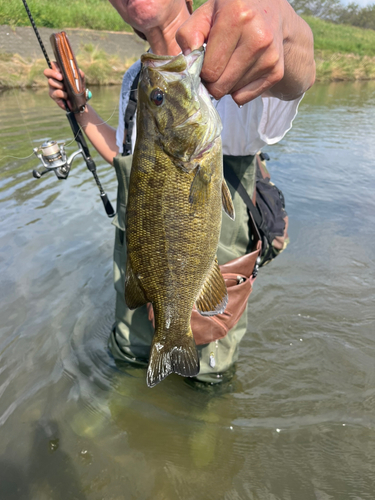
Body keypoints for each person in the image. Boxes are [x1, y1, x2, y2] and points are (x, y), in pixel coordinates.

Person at [44, 0, 315, 384]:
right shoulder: (138, 78)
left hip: (209, 280)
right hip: (143, 270)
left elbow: (296, 76)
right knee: (126, 370)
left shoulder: (236, 59)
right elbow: (124, 152)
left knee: (207, 391)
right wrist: (80, 107)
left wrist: (284, 26)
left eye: (158, 99)